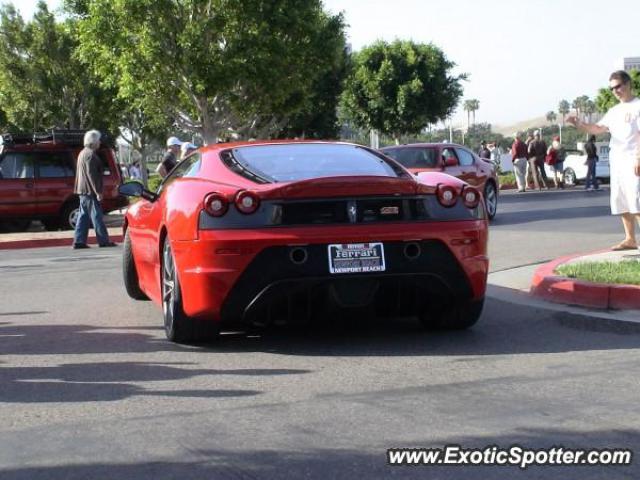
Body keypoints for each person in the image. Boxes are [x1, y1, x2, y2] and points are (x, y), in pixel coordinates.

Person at [567, 70, 640, 251]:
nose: (615, 91)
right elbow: (598, 128)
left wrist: (639, 157)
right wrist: (579, 124)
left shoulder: (638, 106)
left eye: (618, 86)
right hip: (618, 161)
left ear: (628, 84)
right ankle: (630, 239)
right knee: (621, 200)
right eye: (612, 88)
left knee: (636, 200)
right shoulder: (614, 111)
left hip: (633, 160)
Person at [72, 129, 116, 249]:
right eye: (98, 140)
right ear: (94, 142)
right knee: (96, 216)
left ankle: (79, 241)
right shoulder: (90, 155)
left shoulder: (83, 153)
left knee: (83, 215)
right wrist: (98, 192)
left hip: (83, 190)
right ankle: (103, 240)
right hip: (89, 190)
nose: (100, 143)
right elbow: (92, 175)